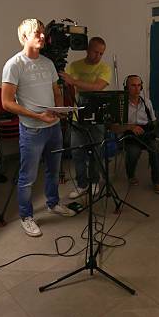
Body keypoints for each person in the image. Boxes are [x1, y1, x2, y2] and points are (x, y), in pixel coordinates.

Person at [2, 19, 75, 238]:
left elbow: (56, 91)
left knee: (54, 171)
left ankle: (53, 203)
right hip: (32, 129)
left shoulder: (48, 63)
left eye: (43, 33)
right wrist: (37, 116)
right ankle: (26, 216)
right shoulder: (14, 65)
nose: (42, 37)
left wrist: (59, 109)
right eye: (37, 33)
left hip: (53, 127)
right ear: (24, 37)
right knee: (28, 177)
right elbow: (6, 103)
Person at [58, 37, 111, 199]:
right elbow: (69, 87)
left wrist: (73, 81)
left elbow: (97, 87)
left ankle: (94, 182)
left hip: (97, 113)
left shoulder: (105, 68)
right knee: (77, 151)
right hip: (78, 114)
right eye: (96, 52)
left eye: (101, 53)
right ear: (88, 49)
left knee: (96, 150)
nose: (98, 56)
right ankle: (82, 185)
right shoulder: (75, 66)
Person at [115, 75, 159, 194]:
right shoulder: (120, 104)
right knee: (133, 152)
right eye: (133, 85)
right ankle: (131, 175)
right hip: (129, 135)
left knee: (156, 147)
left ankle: (157, 181)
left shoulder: (147, 102)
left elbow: (153, 120)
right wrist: (130, 127)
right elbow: (114, 128)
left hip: (146, 134)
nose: (137, 89)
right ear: (126, 88)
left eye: (139, 85)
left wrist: (155, 129)